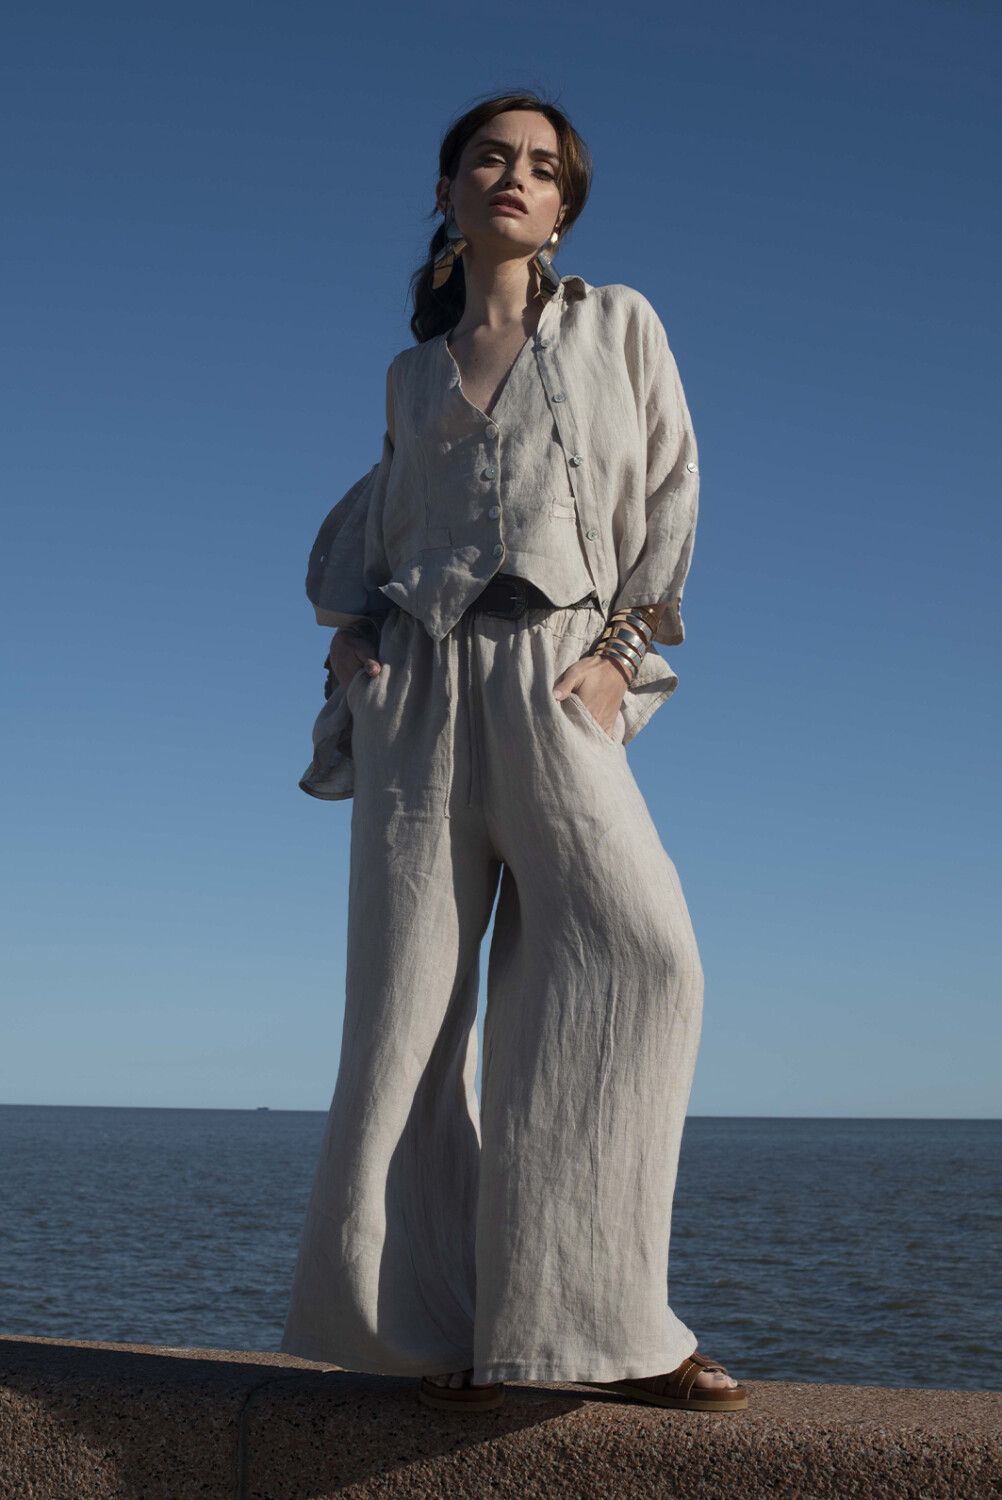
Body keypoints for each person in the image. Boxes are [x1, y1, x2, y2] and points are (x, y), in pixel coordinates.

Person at [280, 90, 748, 1416]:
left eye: (543, 167)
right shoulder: (411, 374)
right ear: (447, 191)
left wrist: (618, 655)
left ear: (563, 209)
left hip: (554, 676)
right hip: (419, 691)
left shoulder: (616, 323)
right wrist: (352, 654)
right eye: (491, 157)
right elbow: (372, 526)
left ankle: (600, 1324)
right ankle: (432, 1330)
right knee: (408, 1012)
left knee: (642, 957)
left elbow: (671, 486)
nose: (516, 176)